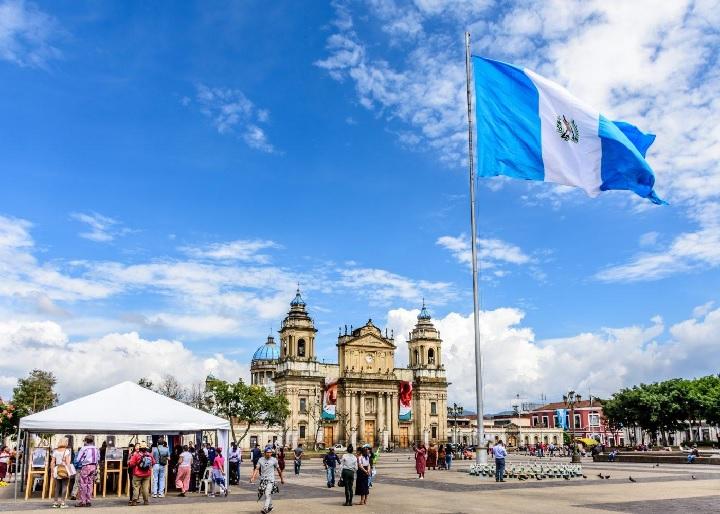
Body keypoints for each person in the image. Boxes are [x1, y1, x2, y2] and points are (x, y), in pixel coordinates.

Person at [251, 446, 284, 514]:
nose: (269, 454)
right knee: (266, 494)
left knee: (267, 493)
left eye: (270, 452)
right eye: (268, 452)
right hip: (263, 480)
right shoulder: (260, 460)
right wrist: (253, 477)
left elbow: (279, 470)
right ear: (264, 453)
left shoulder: (274, 460)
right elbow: (257, 469)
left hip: (271, 479)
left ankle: (265, 508)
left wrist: (282, 479)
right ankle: (271, 506)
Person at [128, 441, 155, 506]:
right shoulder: (149, 454)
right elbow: (153, 462)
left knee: (136, 487)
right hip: (147, 474)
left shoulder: (136, 454)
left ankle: (134, 501)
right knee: (145, 488)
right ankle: (146, 501)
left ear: (139, 448)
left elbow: (131, 464)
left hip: (137, 474)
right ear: (146, 448)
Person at [75, 435, 99, 507]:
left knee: (83, 484)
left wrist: (78, 465)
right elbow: (98, 458)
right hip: (93, 466)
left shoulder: (84, 448)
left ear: (86, 441)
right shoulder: (96, 449)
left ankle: (83, 501)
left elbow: (78, 459)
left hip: (86, 466)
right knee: (90, 483)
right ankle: (88, 500)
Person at [50, 437, 73, 509]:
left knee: (57, 487)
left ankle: (55, 503)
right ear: (65, 442)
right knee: (64, 486)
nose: (67, 443)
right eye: (67, 442)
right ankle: (62, 503)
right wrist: (70, 471)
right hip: (64, 469)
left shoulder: (55, 451)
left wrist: (52, 471)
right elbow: (68, 463)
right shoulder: (67, 451)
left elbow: (52, 462)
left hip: (57, 469)